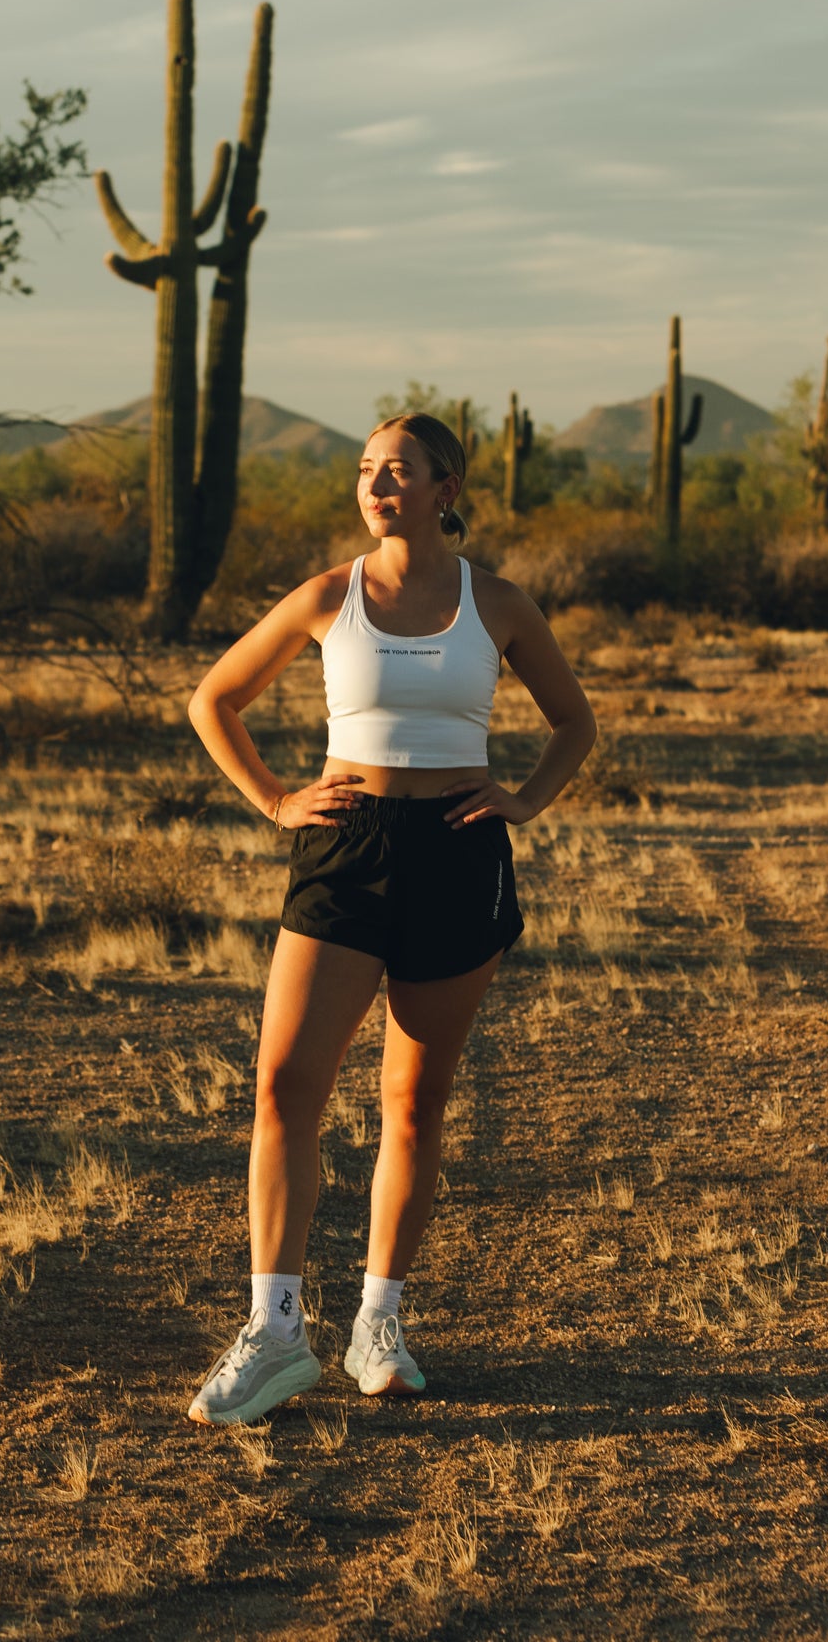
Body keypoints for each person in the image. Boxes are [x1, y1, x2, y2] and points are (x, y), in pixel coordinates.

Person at [184, 411, 597, 1423]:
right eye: (365, 470)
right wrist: (279, 799)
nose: (375, 485)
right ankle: (275, 1331)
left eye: (397, 470)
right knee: (284, 1084)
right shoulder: (329, 595)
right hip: (345, 846)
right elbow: (214, 699)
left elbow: (572, 721)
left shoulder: (494, 603)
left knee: (411, 1102)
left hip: (457, 851)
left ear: (444, 485)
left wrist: (522, 800)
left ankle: (378, 1323)